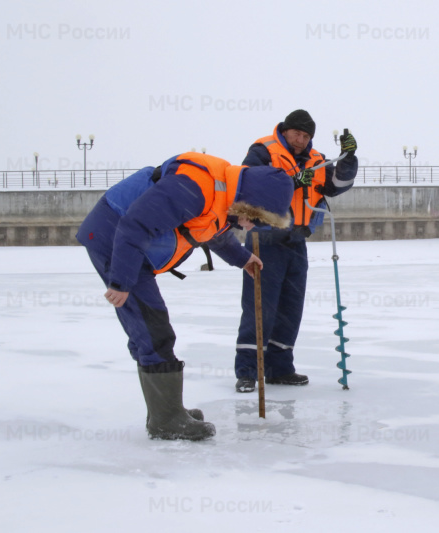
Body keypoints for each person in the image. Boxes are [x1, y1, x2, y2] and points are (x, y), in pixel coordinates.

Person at [76, 152, 293, 441]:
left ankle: (166, 410)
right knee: (153, 328)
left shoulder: (223, 195)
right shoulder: (194, 186)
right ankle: (166, 420)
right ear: (250, 203)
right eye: (255, 219)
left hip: (131, 247)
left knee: (148, 327)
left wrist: (242, 258)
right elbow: (134, 225)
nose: (251, 226)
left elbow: (212, 231)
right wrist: (121, 281)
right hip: (114, 240)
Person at [234, 109, 358, 392]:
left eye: (306, 136)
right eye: (297, 134)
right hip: (264, 240)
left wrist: (348, 159)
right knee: (259, 305)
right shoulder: (263, 150)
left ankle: (280, 367)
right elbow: (248, 184)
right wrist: (290, 181)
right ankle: (247, 370)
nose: (301, 140)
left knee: (291, 306)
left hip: (296, 241)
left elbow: (337, 185)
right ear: (285, 130)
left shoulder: (317, 160)